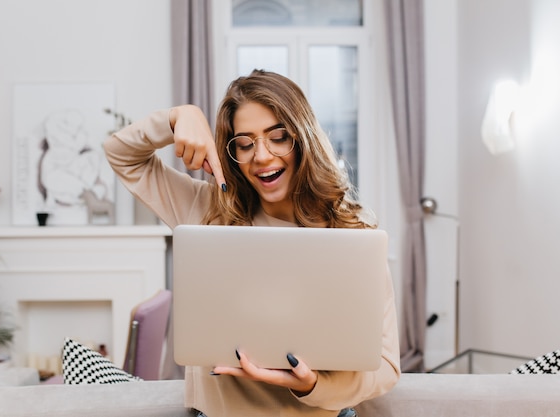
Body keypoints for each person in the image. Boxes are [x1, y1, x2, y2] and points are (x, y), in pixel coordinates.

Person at [104, 69, 400, 417]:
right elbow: (120, 153)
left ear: (303, 138)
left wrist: (312, 384)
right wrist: (178, 117)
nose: (261, 156)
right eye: (244, 144)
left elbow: (386, 364)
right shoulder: (204, 208)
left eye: (278, 138)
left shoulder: (352, 228)